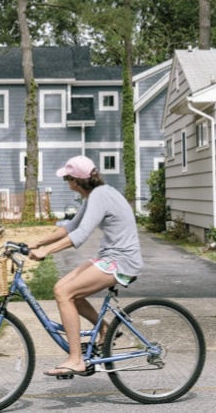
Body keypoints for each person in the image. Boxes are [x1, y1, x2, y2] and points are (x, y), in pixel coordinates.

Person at [28, 154, 143, 377]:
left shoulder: (100, 195)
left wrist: (45, 252)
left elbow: (80, 235)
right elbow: (71, 226)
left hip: (121, 261)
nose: (67, 183)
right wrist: (36, 242)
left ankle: (76, 359)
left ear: (76, 181)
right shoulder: (96, 195)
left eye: (67, 179)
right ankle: (104, 328)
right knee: (62, 287)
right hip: (110, 257)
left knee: (64, 292)